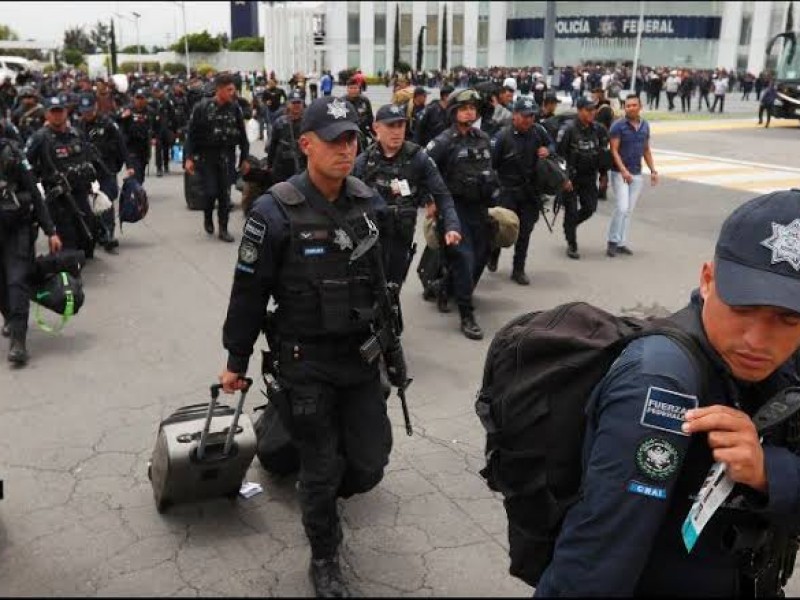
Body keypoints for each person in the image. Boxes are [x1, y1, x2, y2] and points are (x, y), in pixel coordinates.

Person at [536, 189, 800, 596]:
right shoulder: (660, 383)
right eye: (743, 309)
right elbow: (596, 560)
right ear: (708, 280)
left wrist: (770, 473)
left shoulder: (788, 362)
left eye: (788, 318)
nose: (757, 340)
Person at [219, 96, 393, 598]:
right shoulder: (272, 212)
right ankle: (325, 557)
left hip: (360, 356)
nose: (346, 148)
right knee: (322, 465)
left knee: (368, 461)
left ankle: (281, 441)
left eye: (352, 139)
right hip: (305, 360)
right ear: (306, 144)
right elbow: (247, 294)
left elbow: (381, 280)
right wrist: (236, 359)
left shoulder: (367, 200)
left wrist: (390, 344)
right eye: (335, 139)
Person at [353, 103, 461, 286]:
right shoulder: (364, 161)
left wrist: (452, 226)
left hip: (400, 238)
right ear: (376, 127)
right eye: (390, 126)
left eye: (400, 125)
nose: (396, 132)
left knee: (393, 289)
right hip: (369, 238)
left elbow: (442, 194)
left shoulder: (419, 158)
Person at [426, 89, 496, 340]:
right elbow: (424, 170)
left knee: (479, 258)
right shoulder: (443, 142)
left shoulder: (484, 138)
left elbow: (491, 170)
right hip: (454, 209)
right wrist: (430, 201)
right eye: (464, 107)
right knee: (464, 260)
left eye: (473, 107)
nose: (470, 111)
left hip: (480, 208)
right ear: (454, 112)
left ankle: (444, 288)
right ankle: (467, 315)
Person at [0, 132, 62, 366]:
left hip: (17, 229)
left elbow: (35, 194)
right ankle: (9, 316)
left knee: (17, 282)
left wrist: (51, 230)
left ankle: (18, 341)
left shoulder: (13, 154)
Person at [487, 97, 553, 284]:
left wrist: (547, 150)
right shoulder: (502, 136)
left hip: (530, 192)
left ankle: (518, 269)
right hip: (507, 192)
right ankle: (494, 253)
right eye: (525, 115)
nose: (528, 119)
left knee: (524, 232)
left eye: (532, 115)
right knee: (500, 229)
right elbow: (491, 166)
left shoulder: (538, 131)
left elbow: (552, 145)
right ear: (515, 115)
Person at [26, 96, 98, 257]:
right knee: (67, 235)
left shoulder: (76, 133)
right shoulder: (40, 137)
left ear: (66, 112)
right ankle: (66, 267)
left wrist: (94, 184)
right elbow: (25, 164)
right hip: (58, 197)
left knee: (88, 232)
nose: (57, 115)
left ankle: (77, 257)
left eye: (60, 111)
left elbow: (88, 158)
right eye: (53, 112)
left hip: (80, 192)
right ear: (47, 115)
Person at [184, 73, 250, 243]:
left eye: (233, 90)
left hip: (227, 156)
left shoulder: (235, 109)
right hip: (207, 157)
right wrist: (189, 158)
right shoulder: (202, 107)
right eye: (229, 90)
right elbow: (191, 135)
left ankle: (223, 229)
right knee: (211, 192)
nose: (232, 93)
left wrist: (244, 159)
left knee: (224, 194)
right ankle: (208, 216)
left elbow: (243, 137)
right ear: (219, 89)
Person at [76, 93, 134, 254]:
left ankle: (109, 233)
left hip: (106, 168)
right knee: (90, 204)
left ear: (95, 107)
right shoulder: (77, 126)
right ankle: (96, 233)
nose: (87, 114)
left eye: (90, 110)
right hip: (86, 172)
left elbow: (122, 145)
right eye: (84, 111)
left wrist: (129, 165)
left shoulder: (107, 123)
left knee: (107, 200)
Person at [606, 94, 658, 258]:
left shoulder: (645, 126)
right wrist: (623, 170)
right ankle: (612, 241)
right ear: (624, 108)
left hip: (636, 173)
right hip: (619, 173)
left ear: (640, 106)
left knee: (628, 210)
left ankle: (621, 242)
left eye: (634, 105)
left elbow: (646, 149)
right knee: (621, 207)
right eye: (628, 106)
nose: (631, 108)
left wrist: (653, 170)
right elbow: (614, 150)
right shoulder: (618, 126)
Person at [558, 97, 609, 260]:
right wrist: (564, 178)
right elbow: (558, 156)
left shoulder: (598, 130)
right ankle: (572, 243)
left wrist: (603, 174)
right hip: (571, 178)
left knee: (590, 208)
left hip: (589, 176)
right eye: (588, 110)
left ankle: (569, 225)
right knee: (571, 210)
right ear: (579, 111)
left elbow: (602, 153)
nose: (592, 113)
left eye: (593, 109)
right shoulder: (568, 130)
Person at [265, 90, 306, 185]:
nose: (296, 105)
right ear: (288, 104)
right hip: (281, 169)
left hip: (301, 168)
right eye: (294, 102)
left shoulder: (307, 123)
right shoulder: (279, 122)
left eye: (298, 102)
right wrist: (269, 164)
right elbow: (272, 145)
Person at [117, 88, 155, 184]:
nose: (139, 101)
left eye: (142, 98)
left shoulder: (150, 112)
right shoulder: (127, 110)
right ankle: (134, 192)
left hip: (144, 146)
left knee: (141, 172)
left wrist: (154, 137)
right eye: (137, 98)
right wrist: (122, 117)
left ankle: (137, 188)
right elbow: (116, 121)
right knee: (135, 171)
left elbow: (155, 126)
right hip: (131, 146)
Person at [150, 83, 176, 177]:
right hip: (157, 129)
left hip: (166, 128)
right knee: (158, 149)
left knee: (166, 148)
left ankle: (166, 165)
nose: (156, 93)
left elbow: (173, 115)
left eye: (158, 91)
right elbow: (150, 116)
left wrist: (174, 129)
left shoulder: (167, 101)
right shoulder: (152, 102)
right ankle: (159, 168)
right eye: (155, 91)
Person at [343, 77, 374, 148]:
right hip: (347, 135)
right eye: (351, 88)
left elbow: (370, 118)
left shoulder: (365, 100)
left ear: (359, 89)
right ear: (347, 89)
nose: (353, 90)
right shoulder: (341, 102)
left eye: (355, 88)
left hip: (362, 133)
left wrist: (374, 133)